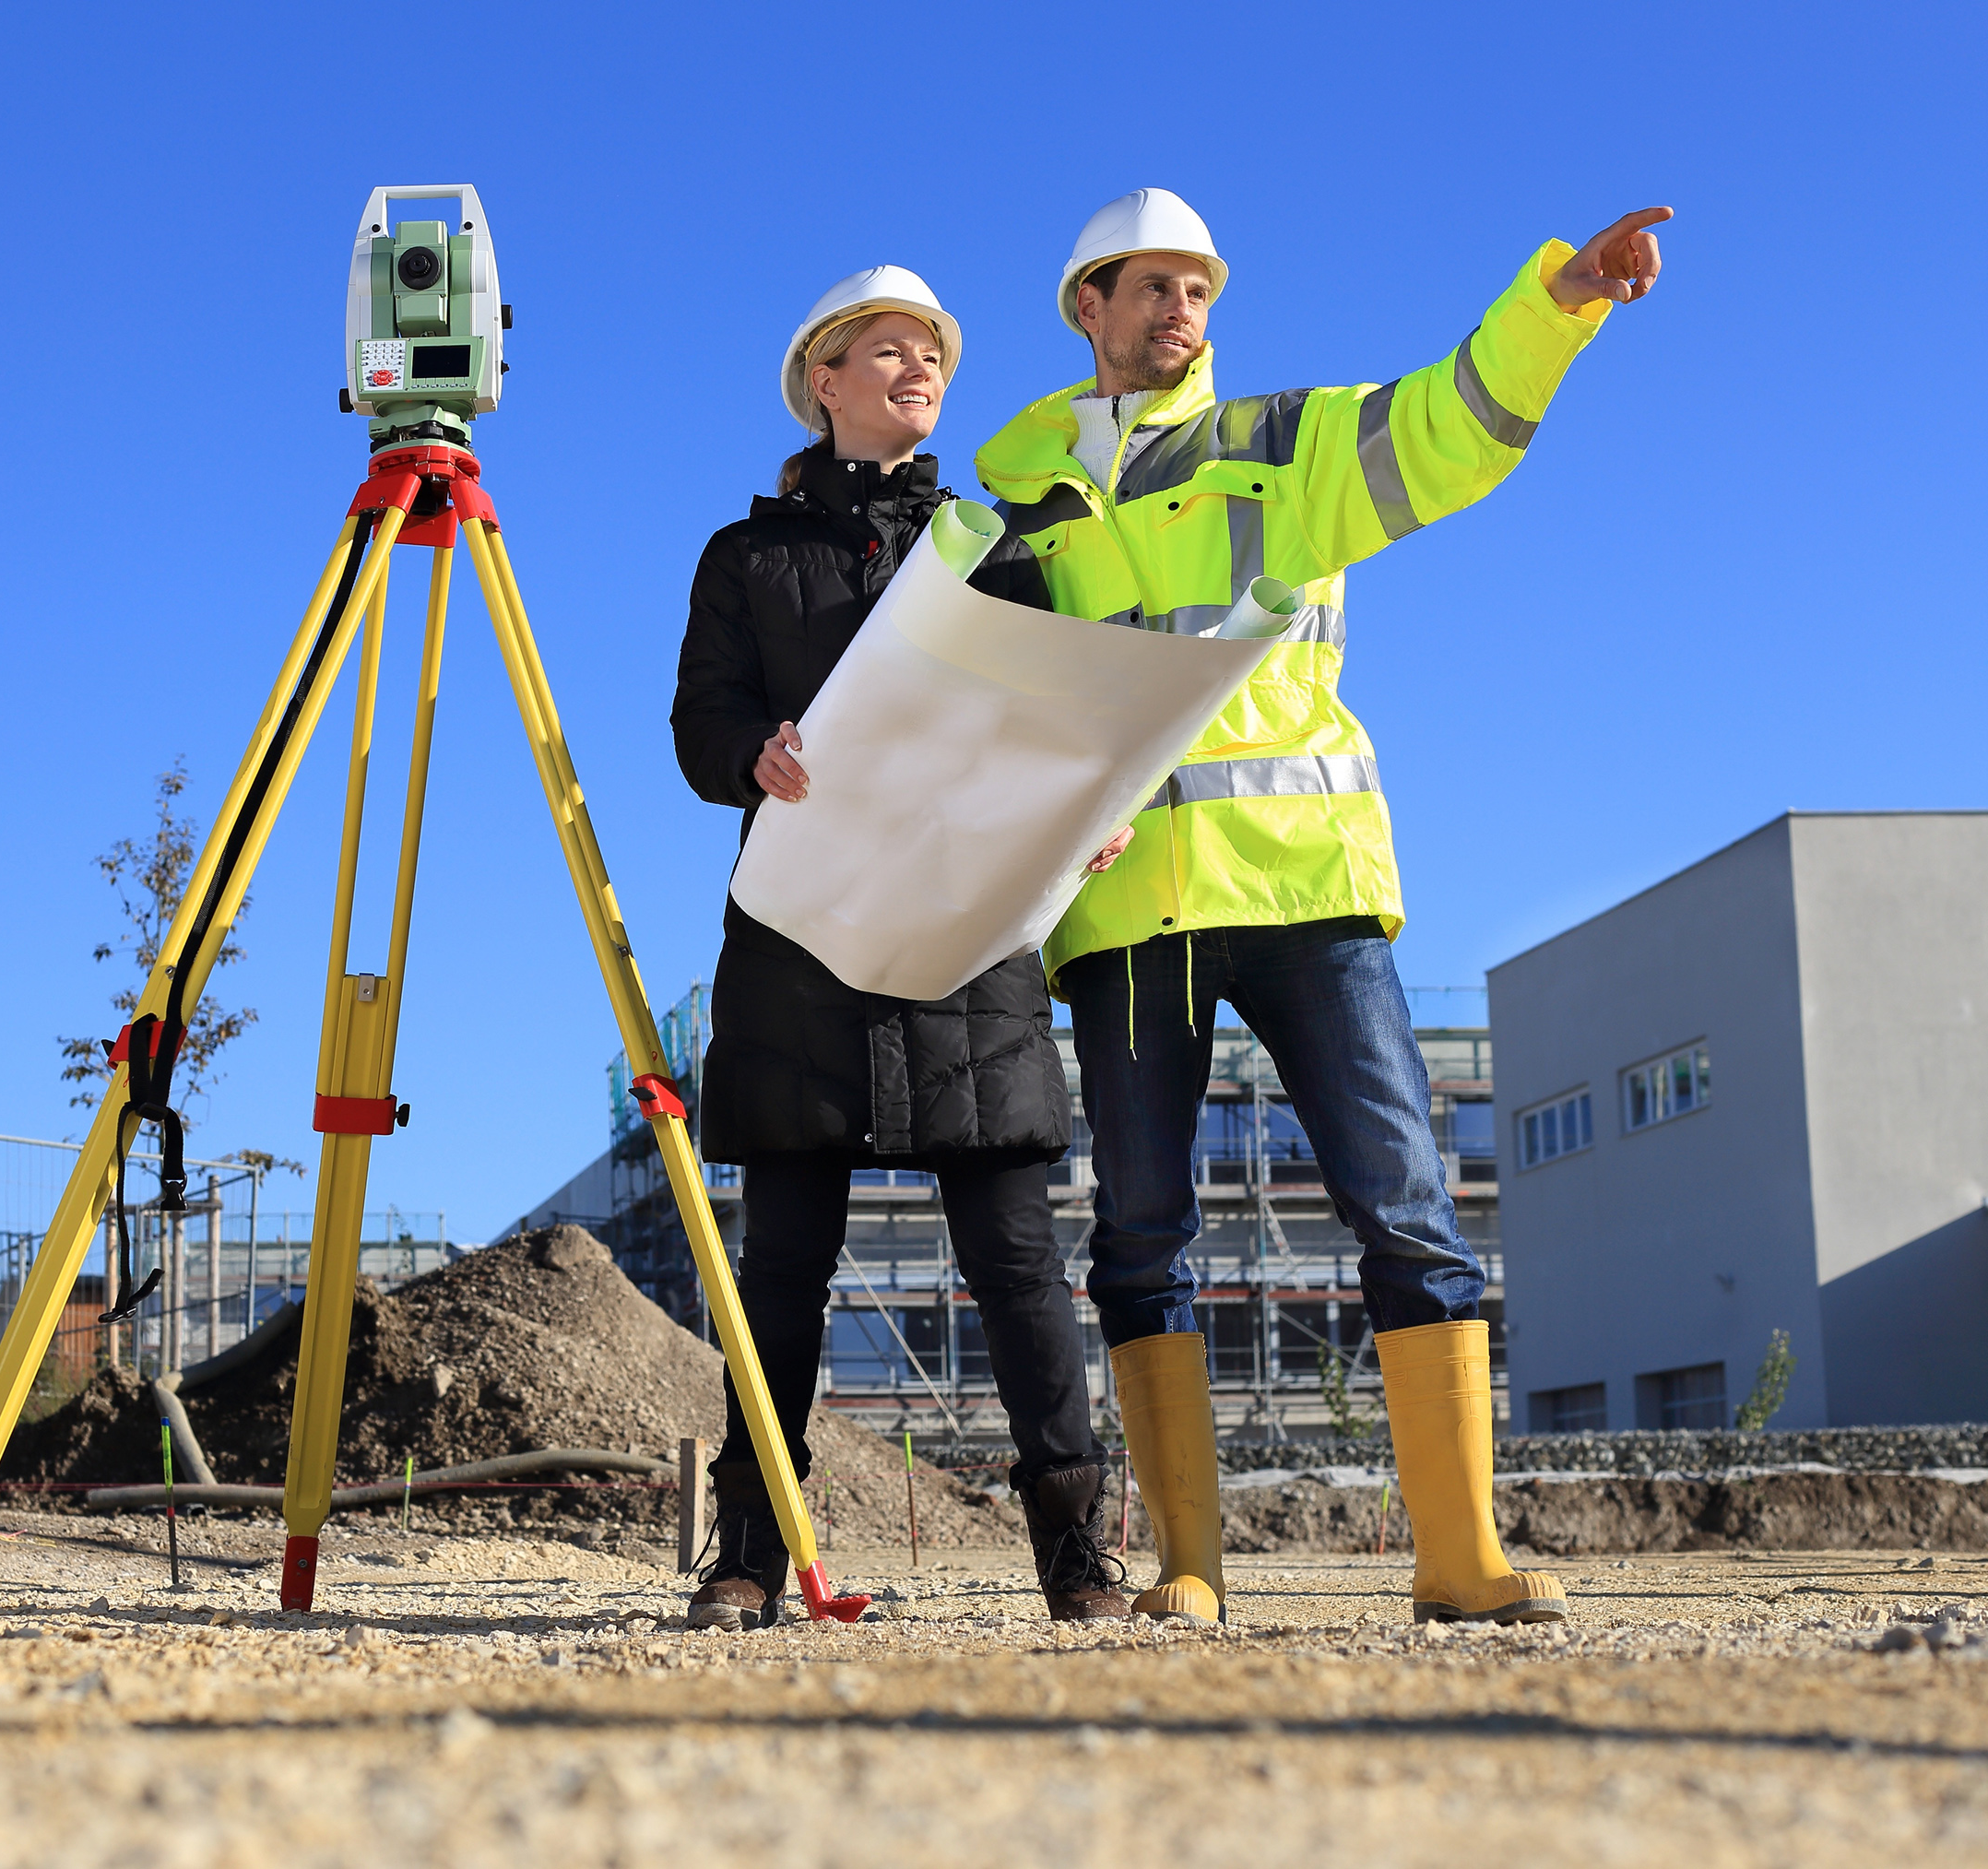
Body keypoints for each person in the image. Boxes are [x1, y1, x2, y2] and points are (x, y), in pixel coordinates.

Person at [975, 190, 1670, 1626]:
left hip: (1305, 883)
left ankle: (1458, 1557)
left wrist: (1559, 304)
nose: (1182, 312)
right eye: (1152, 287)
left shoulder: (1286, 446)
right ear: (1086, 309)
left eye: (1200, 290)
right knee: (1140, 1236)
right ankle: (1187, 1568)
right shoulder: (1018, 502)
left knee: (1404, 1208)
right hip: (1123, 917)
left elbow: (1447, 426)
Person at [670, 266, 1131, 1629]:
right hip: (804, 931)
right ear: (824, 379)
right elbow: (700, 727)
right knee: (783, 1274)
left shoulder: (989, 544)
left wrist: (1085, 816)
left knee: (1016, 1263)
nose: (914, 369)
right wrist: (750, 754)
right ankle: (749, 1555)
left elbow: (1060, 713)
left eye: (927, 353)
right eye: (885, 351)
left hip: (965, 933)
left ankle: (1078, 1563)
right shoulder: (745, 560)